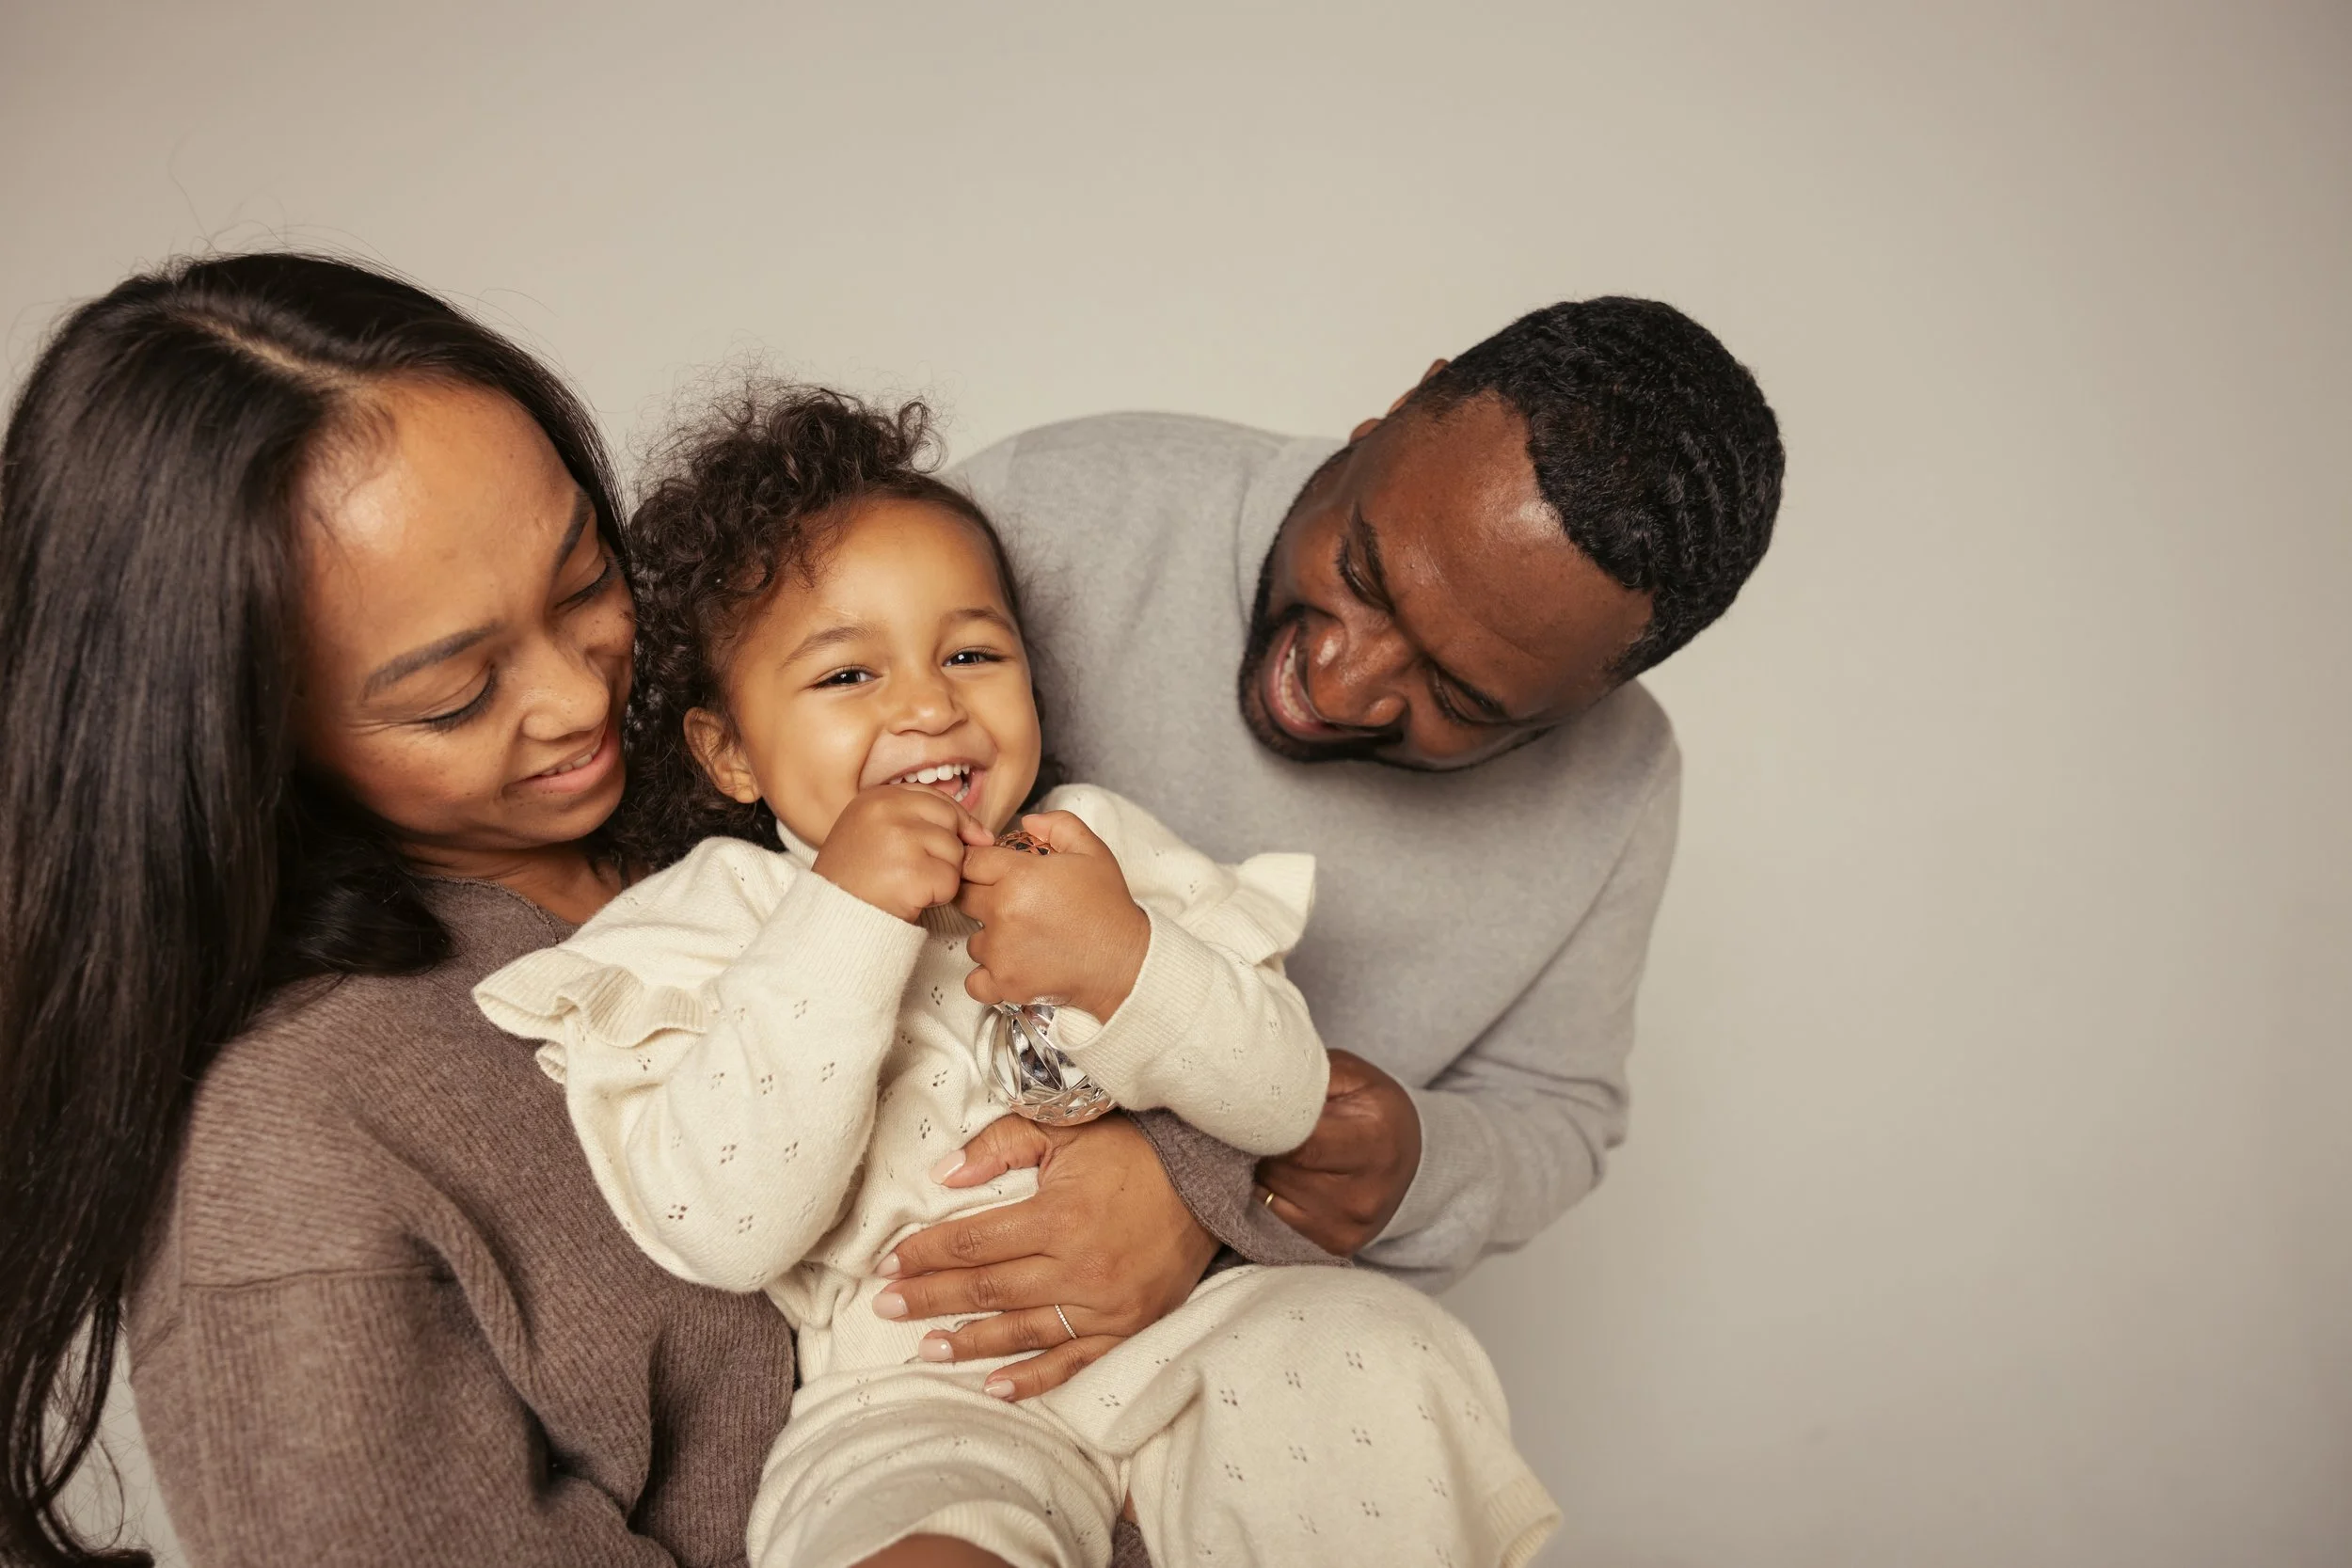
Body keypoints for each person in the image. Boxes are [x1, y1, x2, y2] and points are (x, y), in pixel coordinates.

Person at [0, 255, 1322, 1568]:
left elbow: (1177, 1030)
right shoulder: (290, 1152)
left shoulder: (755, 796)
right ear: (241, 738)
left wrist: (1181, 1190)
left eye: (584, 581)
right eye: (457, 691)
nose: (581, 701)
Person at [473, 386, 1561, 1568]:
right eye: (847, 676)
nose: (931, 702)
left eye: (971, 653)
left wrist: (1127, 956)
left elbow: (1283, 1096)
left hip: (1195, 1329)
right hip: (915, 1381)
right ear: (727, 749)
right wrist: (844, 917)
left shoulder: (1099, 848)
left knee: (1379, 1354)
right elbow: (728, 1227)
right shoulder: (707, 918)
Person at [925, 299, 1785, 1302]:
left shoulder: (1620, 781)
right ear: (1394, 412)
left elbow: (1555, 1109)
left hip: (1243, 1332)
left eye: (1459, 697)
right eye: (1364, 569)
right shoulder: (1053, 510)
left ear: (1585, 704)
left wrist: (1415, 1161)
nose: (1335, 684)